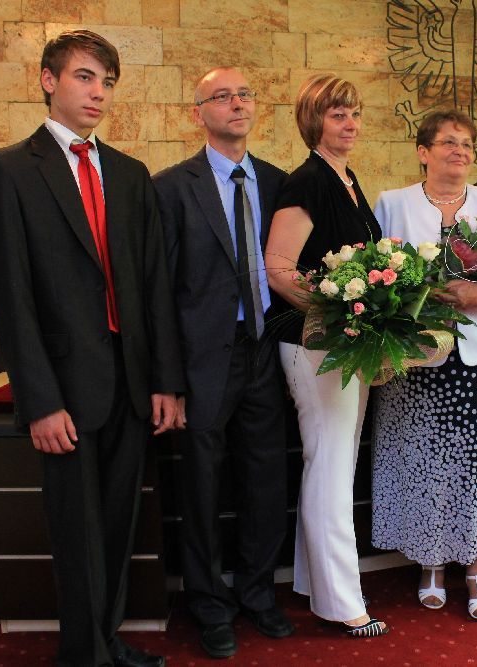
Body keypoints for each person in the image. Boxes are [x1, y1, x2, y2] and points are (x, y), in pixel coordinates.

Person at [0, 30, 183, 667]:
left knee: (119, 525)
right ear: (48, 80)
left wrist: (165, 382)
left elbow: (154, 288)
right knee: (76, 531)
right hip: (63, 390)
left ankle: (106, 640)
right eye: (85, 77)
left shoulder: (128, 174)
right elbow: (9, 295)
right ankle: (82, 654)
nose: (99, 93)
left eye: (108, 82)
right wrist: (38, 401)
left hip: (129, 382)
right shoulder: (10, 168)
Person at [153, 67, 292, 660]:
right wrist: (168, 379)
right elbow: (157, 291)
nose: (236, 104)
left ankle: (259, 593)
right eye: (222, 96)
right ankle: (210, 604)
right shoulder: (169, 188)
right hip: (204, 359)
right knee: (203, 487)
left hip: (266, 349)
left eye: (245, 94)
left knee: (265, 481)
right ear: (198, 113)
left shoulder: (279, 182)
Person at [371, 110, 477, 621]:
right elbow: (376, 275)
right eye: (448, 142)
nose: (459, 151)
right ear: (423, 151)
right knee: (423, 459)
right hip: (415, 358)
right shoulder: (392, 204)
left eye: (467, 144)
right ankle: (430, 561)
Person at [264, 74, 387, 637]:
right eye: (339, 114)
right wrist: (339, 310)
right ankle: (345, 603)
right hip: (314, 344)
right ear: (314, 121)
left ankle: (317, 584)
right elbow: (279, 269)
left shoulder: (349, 179)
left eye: (355, 113)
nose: (350, 124)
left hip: (345, 344)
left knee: (334, 460)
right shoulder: (307, 181)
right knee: (332, 465)